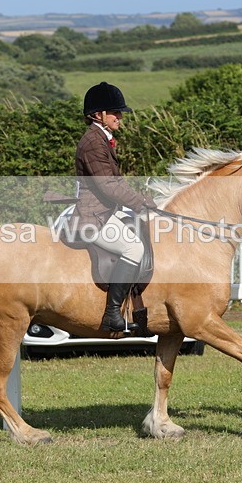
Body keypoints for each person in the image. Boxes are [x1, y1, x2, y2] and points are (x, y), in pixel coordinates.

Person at [71, 82, 157, 332]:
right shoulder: (92, 142)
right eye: (115, 113)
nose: (120, 117)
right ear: (98, 115)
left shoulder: (101, 138)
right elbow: (108, 185)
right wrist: (140, 202)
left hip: (107, 210)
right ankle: (112, 313)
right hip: (94, 216)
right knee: (133, 248)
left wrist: (142, 199)